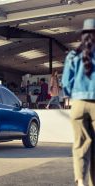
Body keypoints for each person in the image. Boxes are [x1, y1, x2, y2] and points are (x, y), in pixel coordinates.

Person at [62, 18, 95, 186]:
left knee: (80, 144)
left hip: (78, 104)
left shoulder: (73, 55)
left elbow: (66, 84)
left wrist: (74, 94)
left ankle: (81, 182)